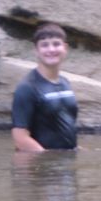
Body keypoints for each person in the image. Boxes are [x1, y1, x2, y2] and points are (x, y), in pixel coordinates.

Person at [10, 22, 78, 152]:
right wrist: (47, 160)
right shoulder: (27, 88)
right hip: (42, 167)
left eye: (56, 44)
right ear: (36, 50)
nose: (51, 49)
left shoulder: (65, 83)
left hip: (66, 166)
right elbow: (20, 138)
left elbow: (65, 130)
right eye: (44, 45)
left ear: (65, 48)